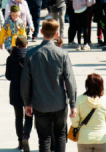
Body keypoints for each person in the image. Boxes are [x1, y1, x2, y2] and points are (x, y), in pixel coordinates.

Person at [21, 19, 77, 152]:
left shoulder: (31, 54)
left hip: (40, 103)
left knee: (44, 138)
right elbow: (70, 81)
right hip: (59, 103)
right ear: (57, 34)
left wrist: (27, 103)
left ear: (41, 32)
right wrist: (73, 104)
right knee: (60, 136)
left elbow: (25, 82)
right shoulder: (62, 54)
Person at [70, 73, 106, 152]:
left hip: (84, 138)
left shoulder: (79, 99)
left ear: (87, 85)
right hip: (101, 139)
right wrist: (104, 129)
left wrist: (77, 126)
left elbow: (75, 121)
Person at [5, 35, 33, 151]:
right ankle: (26, 135)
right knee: (29, 115)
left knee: (18, 116)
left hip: (15, 89)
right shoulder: (30, 56)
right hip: (29, 89)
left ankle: (20, 140)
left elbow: (8, 76)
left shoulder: (10, 58)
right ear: (26, 44)